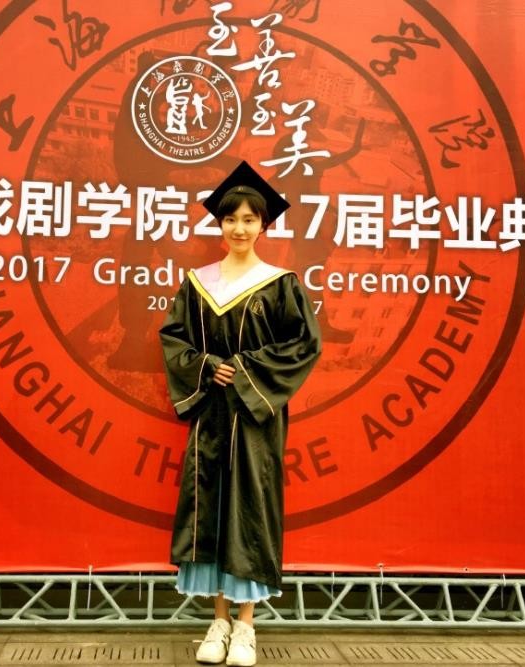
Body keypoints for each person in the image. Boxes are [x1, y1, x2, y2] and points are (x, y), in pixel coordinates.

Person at [159, 161, 322, 666]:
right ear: (220, 224)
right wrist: (207, 366)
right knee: (210, 507)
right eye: (231, 219)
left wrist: (246, 370)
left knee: (248, 508)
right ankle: (218, 621)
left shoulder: (280, 283)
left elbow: (304, 344)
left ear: (263, 225)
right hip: (212, 412)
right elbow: (174, 340)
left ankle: (246, 626)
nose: (240, 228)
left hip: (254, 416)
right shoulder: (197, 283)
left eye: (250, 219)